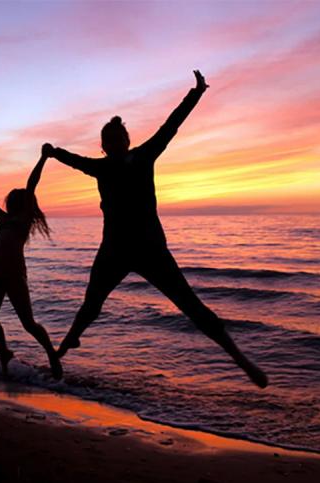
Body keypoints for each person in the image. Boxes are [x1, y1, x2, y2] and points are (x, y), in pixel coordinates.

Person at [43, 71, 268, 388]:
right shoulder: (101, 167)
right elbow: (74, 160)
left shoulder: (145, 155)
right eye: (110, 141)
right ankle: (64, 349)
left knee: (191, 306)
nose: (116, 144)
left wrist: (197, 92)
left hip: (151, 251)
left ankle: (241, 360)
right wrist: (54, 152)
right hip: (114, 251)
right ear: (104, 146)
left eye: (120, 139)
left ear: (127, 141)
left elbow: (171, 126)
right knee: (91, 305)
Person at [0, 149, 62, 379]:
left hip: (15, 277)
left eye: (14, 199)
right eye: (10, 199)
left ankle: (51, 354)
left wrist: (43, 158)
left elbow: (32, 183)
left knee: (28, 324)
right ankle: (4, 351)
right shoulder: (4, 219)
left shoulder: (23, 220)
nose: (9, 201)